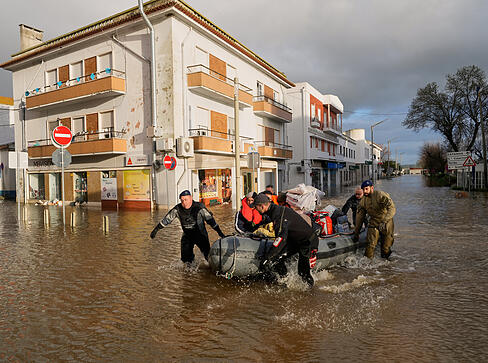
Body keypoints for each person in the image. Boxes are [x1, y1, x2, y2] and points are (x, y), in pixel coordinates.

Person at [253, 193, 318, 287]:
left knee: (303, 273)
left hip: (307, 241)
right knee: (278, 260)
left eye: (256, 207)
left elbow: (280, 239)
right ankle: (285, 281)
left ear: (262, 206)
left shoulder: (278, 214)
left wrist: (268, 257)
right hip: (295, 240)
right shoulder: (274, 210)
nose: (255, 209)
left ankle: (310, 293)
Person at [150, 190, 226, 263]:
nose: (184, 203)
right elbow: (166, 220)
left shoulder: (199, 207)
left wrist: (220, 233)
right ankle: (189, 272)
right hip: (187, 236)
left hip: (201, 235)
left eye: (186, 200)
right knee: (185, 261)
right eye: (182, 200)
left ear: (191, 198)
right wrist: (156, 230)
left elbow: (211, 221)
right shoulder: (177, 209)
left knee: (208, 257)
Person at [353, 180, 396, 259]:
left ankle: (387, 266)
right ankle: (367, 266)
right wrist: (356, 232)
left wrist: (385, 221)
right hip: (373, 222)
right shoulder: (363, 201)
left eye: (366, 189)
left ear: (371, 188)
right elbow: (360, 217)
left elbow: (392, 208)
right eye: (363, 189)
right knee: (370, 246)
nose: (364, 191)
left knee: (385, 248)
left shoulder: (380, 195)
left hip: (386, 222)